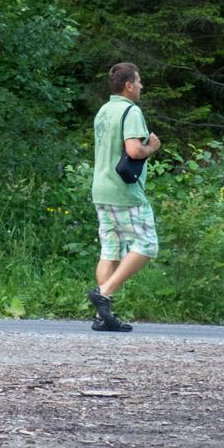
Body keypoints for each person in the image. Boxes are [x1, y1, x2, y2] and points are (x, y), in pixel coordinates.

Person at [88, 62, 162, 333]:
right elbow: (133, 150)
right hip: (124, 192)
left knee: (111, 250)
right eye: (139, 82)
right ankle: (104, 292)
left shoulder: (104, 111)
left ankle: (101, 317)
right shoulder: (131, 111)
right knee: (147, 244)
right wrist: (151, 147)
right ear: (128, 85)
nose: (142, 86)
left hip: (101, 189)